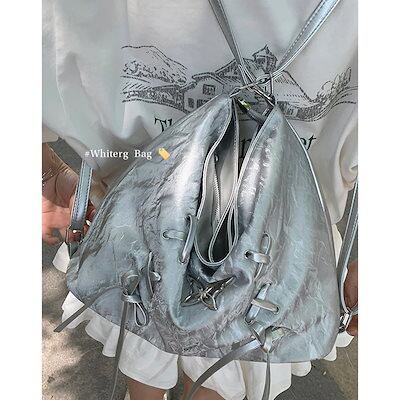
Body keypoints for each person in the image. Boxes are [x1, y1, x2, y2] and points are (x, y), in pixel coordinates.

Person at [42, 1, 358, 399]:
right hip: (276, 256)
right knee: (218, 376)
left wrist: (46, 174)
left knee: (145, 357)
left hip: (140, 233)